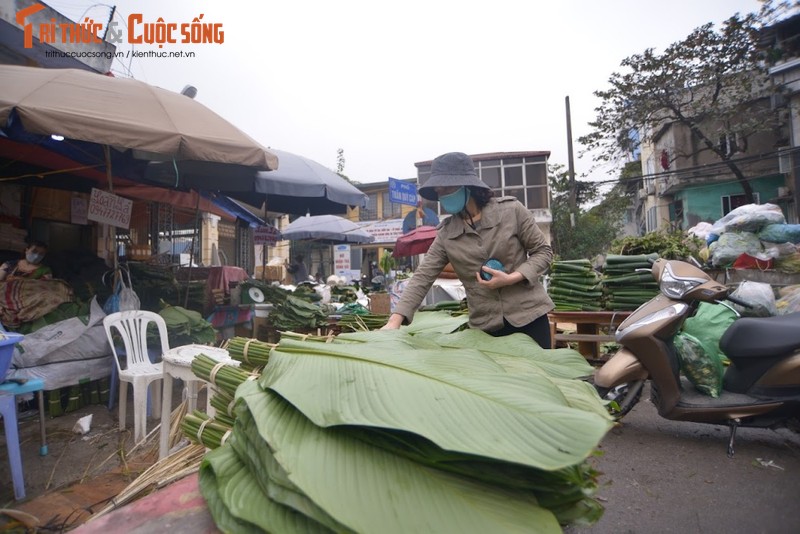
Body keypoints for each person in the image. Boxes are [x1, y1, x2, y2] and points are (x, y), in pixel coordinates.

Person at [382, 152, 554, 348]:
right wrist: (393, 322)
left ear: (467, 186)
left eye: (447, 188)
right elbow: (422, 277)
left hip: (529, 317)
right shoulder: (446, 234)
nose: (443, 196)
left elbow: (543, 252)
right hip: (486, 329)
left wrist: (513, 277)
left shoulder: (512, 211)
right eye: (439, 191)